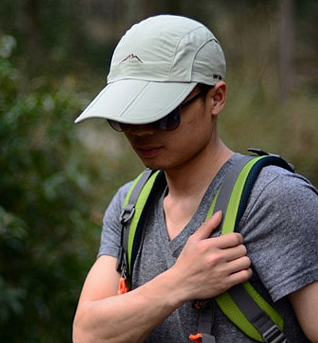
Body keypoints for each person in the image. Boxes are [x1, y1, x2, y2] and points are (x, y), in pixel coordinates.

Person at [72, 14, 318, 343]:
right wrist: (180, 282)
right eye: (125, 118)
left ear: (215, 98)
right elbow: (88, 335)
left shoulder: (275, 200)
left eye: (163, 116)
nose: (141, 132)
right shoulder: (130, 207)